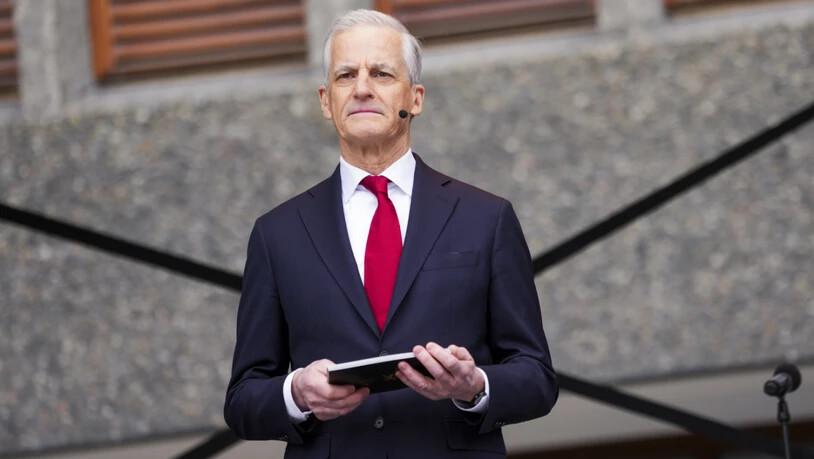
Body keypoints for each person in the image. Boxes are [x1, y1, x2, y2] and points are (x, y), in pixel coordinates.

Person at [224, 9, 558, 458]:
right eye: (346, 76)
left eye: (381, 73)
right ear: (326, 101)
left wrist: (474, 384)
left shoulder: (486, 217)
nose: (362, 88)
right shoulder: (276, 234)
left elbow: (536, 377)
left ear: (415, 98)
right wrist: (297, 393)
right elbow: (243, 399)